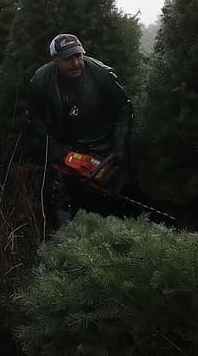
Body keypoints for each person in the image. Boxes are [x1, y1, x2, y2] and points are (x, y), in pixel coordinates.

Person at [26, 32, 134, 229]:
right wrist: (54, 147)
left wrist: (120, 148)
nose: (76, 63)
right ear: (55, 60)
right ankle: (63, 244)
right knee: (59, 196)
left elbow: (124, 109)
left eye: (78, 56)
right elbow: (35, 118)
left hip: (102, 144)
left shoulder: (101, 74)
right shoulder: (41, 80)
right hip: (66, 145)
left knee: (108, 197)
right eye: (69, 59)